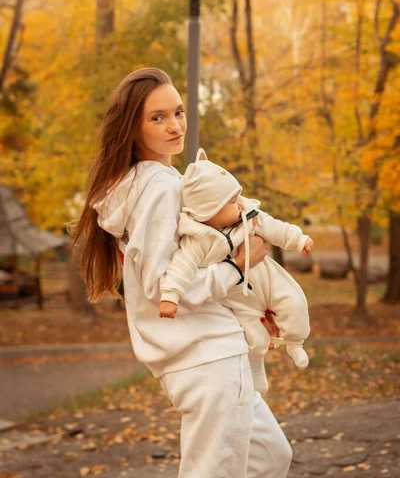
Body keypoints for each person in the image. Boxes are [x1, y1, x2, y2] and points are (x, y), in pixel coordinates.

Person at [72, 67, 293, 478]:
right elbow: (166, 288)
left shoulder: (146, 182)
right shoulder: (159, 188)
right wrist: (239, 265)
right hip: (208, 357)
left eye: (178, 112)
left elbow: (188, 263)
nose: (174, 126)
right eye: (157, 118)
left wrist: (252, 299)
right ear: (132, 129)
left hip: (211, 348)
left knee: (270, 458)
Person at [159, 148, 313, 392]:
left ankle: (295, 343)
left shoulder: (248, 216)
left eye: (237, 198)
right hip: (239, 299)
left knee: (294, 304)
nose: (239, 205)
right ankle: (257, 368)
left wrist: (297, 239)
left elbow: (274, 227)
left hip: (267, 280)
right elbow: (181, 268)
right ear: (208, 212)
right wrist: (170, 296)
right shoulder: (198, 241)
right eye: (231, 202)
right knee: (253, 338)